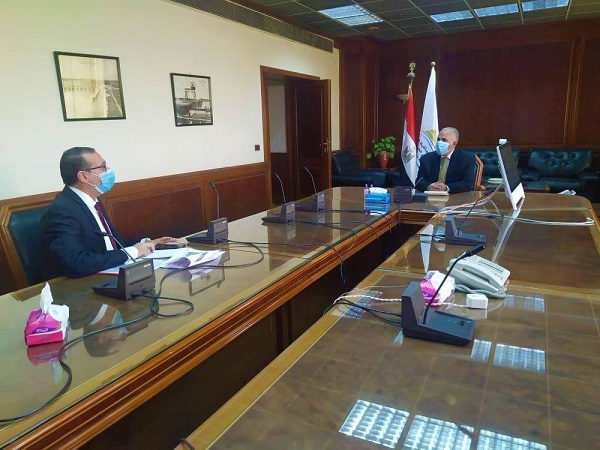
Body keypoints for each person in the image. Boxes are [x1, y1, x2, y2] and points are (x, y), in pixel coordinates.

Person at [40, 147, 177, 279]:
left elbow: (111, 246)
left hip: (108, 274)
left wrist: (146, 244)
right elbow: (76, 263)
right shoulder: (62, 210)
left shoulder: (93, 201)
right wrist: (134, 251)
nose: (108, 170)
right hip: (81, 285)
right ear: (84, 176)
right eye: (103, 167)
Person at [414, 127, 475, 194]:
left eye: (444, 140)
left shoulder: (466, 158)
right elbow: (419, 182)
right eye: (438, 139)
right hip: (430, 197)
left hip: (455, 197)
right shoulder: (426, 158)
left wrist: (446, 188)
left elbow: (467, 184)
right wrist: (428, 186)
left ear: (454, 143)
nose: (439, 143)